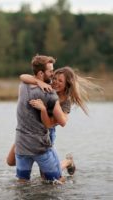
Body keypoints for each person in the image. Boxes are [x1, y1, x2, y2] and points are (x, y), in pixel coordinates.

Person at [7, 65, 101, 181]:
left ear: (67, 84)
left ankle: (67, 162)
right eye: (54, 79)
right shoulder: (48, 86)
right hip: (27, 131)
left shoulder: (65, 101)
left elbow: (59, 122)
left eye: (60, 81)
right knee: (10, 161)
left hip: (46, 132)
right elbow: (23, 77)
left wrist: (45, 110)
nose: (55, 82)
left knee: (46, 177)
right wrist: (38, 81)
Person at [13, 55, 70, 183]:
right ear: (40, 73)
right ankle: (67, 162)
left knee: (22, 183)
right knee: (58, 181)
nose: (52, 74)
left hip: (22, 143)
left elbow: (23, 76)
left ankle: (66, 163)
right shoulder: (50, 94)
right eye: (50, 71)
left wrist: (38, 81)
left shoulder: (22, 85)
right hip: (40, 146)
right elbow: (63, 122)